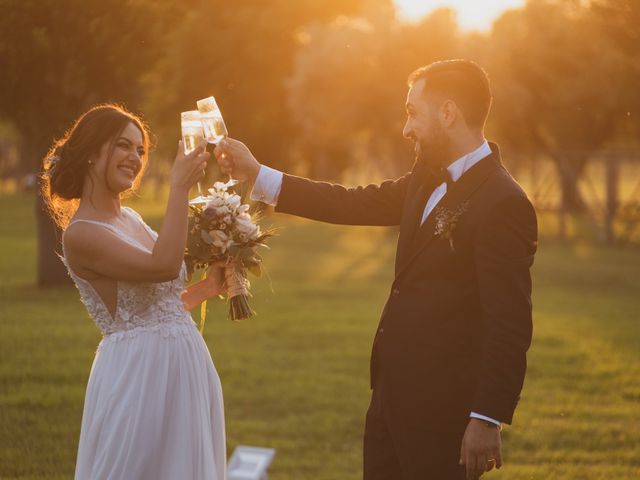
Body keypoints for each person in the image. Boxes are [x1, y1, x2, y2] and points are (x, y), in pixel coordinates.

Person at [215, 59, 538, 480]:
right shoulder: (425, 175)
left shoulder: (503, 202)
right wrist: (260, 175)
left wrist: (487, 416)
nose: (406, 129)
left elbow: (509, 323)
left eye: (412, 112)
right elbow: (354, 202)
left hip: (445, 414)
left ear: (448, 113)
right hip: (389, 400)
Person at [41, 104, 227, 479]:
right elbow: (163, 265)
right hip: (140, 374)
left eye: (140, 151)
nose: (135, 158)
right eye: (124, 146)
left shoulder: (130, 218)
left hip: (183, 366)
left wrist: (208, 287)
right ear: (93, 152)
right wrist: (179, 187)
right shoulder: (82, 233)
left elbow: (156, 307)